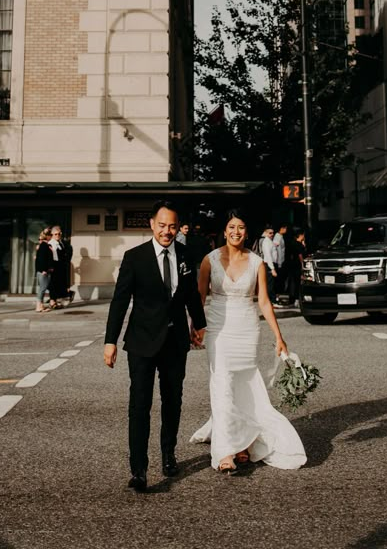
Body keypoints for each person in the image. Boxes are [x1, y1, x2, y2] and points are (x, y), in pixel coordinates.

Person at [190, 210, 306, 474]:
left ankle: (244, 442)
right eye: (232, 226)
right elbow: (200, 296)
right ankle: (225, 450)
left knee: (244, 385)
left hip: (246, 329)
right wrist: (196, 326)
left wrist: (279, 337)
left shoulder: (257, 262)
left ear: (246, 231)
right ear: (224, 229)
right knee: (221, 384)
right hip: (219, 329)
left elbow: (263, 301)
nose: (236, 232)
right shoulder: (210, 260)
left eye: (241, 227)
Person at [104, 200, 207, 492]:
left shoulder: (186, 254)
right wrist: (110, 341)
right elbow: (120, 301)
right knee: (140, 406)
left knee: (172, 402)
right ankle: (138, 470)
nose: (167, 231)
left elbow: (190, 297)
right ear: (152, 224)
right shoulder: (134, 257)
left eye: (172, 226)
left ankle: (168, 454)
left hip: (175, 343)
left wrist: (198, 325)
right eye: (162, 225)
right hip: (141, 343)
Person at [47, 225, 71, 307]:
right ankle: (52, 301)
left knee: (58, 284)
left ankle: (55, 301)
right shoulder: (51, 243)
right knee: (53, 284)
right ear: (52, 235)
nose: (57, 236)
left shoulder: (61, 243)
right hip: (54, 266)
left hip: (60, 267)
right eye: (55, 234)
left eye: (59, 234)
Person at [34, 228, 54, 313]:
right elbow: (41, 260)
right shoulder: (44, 246)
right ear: (48, 236)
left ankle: (41, 306)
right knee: (42, 289)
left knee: (43, 288)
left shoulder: (45, 246)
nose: (52, 236)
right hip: (43, 271)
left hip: (44, 270)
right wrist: (44, 270)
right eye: (51, 235)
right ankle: (38, 306)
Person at [286, 230, 307, 307]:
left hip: (292, 265)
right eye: (303, 235)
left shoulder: (292, 243)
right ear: (300, 235)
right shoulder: (298, 245)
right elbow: (300, 255)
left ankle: (292, 299)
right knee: (298, 282)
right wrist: (302, 265)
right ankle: (297, 299)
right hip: (298, 265)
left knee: (293, 282)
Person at [260, 226, 277, 302]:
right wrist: (272, 269)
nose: (272, 234)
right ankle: (271, 301)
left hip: (271, 264)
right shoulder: (266, 242)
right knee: (270, 284)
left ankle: (271, 300)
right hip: (268, 264)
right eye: (270, 233)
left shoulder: (270, 241)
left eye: (273, 233)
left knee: (271, 283)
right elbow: (268, 256)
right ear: (266, 233)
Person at [273, 225, 288, 302]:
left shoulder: (280, 237)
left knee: (280, 279)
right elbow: (277, 251)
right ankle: (276, 296)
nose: (286, 230)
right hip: (279, 261)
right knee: (278, 280)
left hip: (281, 260)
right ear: (281, 229)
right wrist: (279, 263)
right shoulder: (277, 237)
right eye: (285, 228)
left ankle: (278, 295)